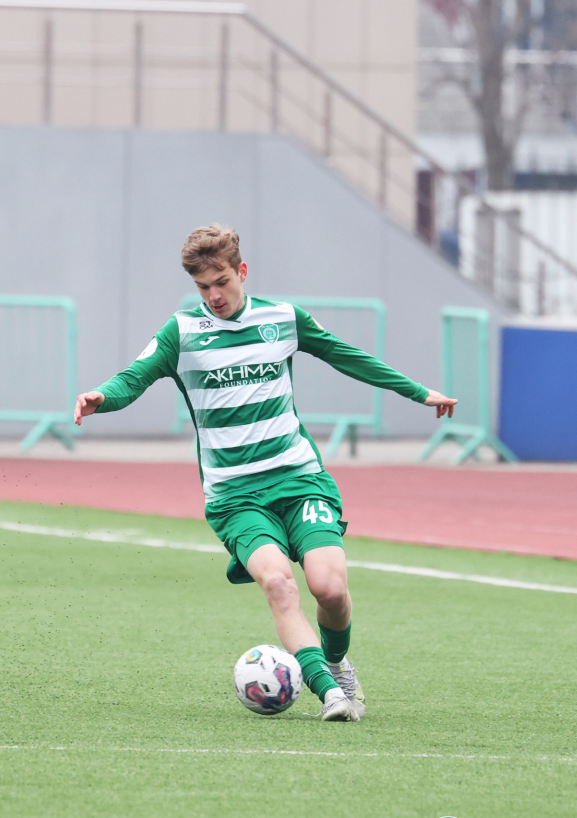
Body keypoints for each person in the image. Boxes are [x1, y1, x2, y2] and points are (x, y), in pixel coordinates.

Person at [73, 225, 457, 722]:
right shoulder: (181, 333)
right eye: (203, 287)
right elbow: (133, 377)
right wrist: (102, 397)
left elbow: (345, 355)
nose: (214, 295)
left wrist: (418, 392)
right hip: (235, 497)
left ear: (242, 272)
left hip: (299, 480)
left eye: (222, 282)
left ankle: (337, 663)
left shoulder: (282, 319)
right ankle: (331, 693)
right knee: (278, 582)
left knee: (329, 589)